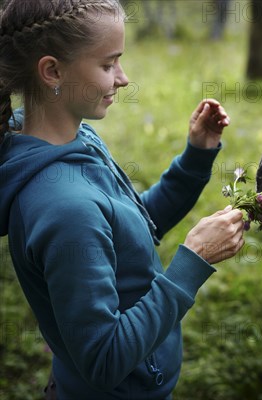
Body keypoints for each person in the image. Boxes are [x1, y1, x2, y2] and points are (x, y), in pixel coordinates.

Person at [0, 0, 245, 398]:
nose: (123, 78)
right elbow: (104, 359)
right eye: (108, 64)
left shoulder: (73, 143)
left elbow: (132, 228)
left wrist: (195, 157)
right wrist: (192, 262)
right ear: (53, 71)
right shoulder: (64, 208)